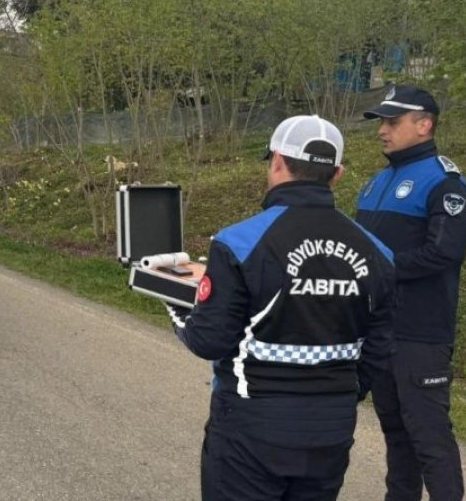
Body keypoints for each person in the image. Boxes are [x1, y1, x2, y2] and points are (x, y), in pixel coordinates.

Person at [167, 115, 396, 501]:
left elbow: (209, 339)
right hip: (332, 426)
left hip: (250, 425)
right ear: (337, 175)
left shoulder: (238, 242)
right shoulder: (379, 252)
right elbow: (380, 345)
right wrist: (344, 395)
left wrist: (173, 301)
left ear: (276, 161)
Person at [356, 85, 466, 501]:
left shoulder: (445, 182)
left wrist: (376, 269)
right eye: (381, 122)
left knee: (429, 438)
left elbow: (444, 253)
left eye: (392, 121)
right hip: (378, 331)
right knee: (395, 434)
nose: (382, 130)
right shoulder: (375, 182)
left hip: (420, 333)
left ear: (424, 124)